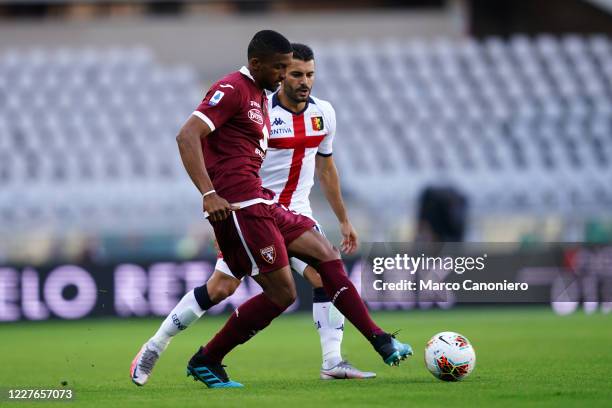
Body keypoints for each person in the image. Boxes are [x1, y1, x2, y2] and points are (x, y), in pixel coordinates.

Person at [133, 30, 412, 389]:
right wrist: (209, 193)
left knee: (325, 259)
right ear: (257, 64)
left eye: (298, 71)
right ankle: (177, 351)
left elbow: (321, 166)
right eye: (283, 68)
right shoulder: (234, 89)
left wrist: (343, 219)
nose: (287, 76)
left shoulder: (272, 100)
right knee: (253, 290)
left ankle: (373, 343)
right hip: (242, 209)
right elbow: (187, 135)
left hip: (264, 205)